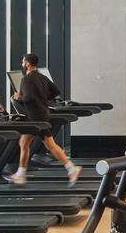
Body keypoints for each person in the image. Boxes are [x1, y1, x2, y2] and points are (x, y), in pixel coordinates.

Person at [7, 53, 79, 185]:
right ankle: (71, 168)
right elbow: (56, 91)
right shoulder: (42, 77)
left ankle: (21, 174)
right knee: (46, 145)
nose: (22, 64)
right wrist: (44, 99)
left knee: (25, 143)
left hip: (34, 117)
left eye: (23, 62)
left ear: (28, 64)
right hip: (43, 114)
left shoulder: (26, 79)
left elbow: (28, 98)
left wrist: (18, 97)